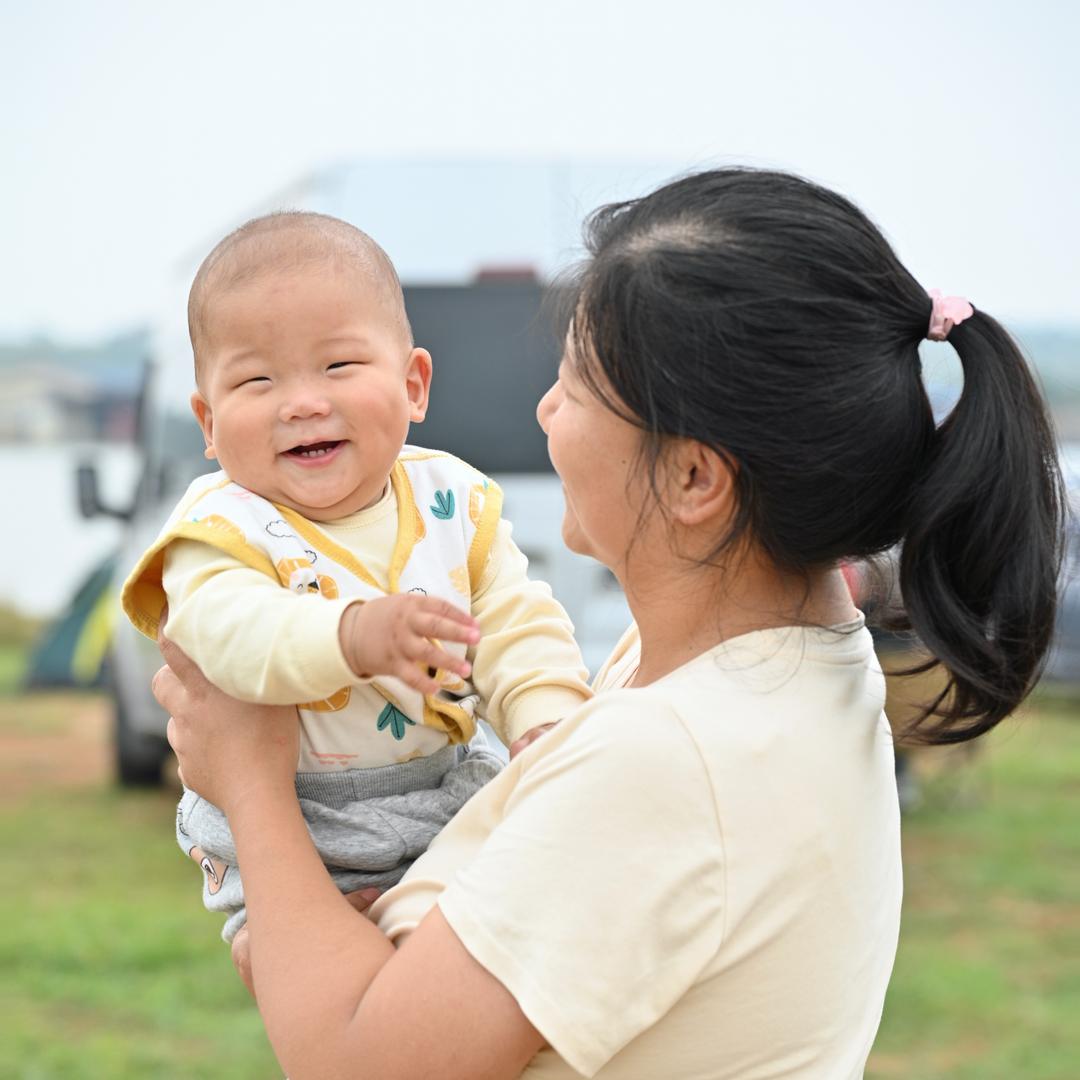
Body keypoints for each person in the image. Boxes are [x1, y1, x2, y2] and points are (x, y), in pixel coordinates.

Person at [154, 168, 1063, 1078]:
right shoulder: (766, 663)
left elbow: (360, 1062)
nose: (545, 408)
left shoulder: (674, 758)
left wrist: (252, 785)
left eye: (577, 385)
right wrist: (310, 935)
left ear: (695, 479)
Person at [122, 212, 591, 941]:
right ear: (208, 425)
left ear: (413, 385)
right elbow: (230, 635)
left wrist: (545, 719)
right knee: (312, 956)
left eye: (339, 366)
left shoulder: (450, 502)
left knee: (516, 917)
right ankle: (295, 963)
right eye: (257, 379)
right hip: (298, 822)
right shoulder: (219, 528)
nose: (303, 401)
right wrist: (350, 636)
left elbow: (512, 620)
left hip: (444, 789)